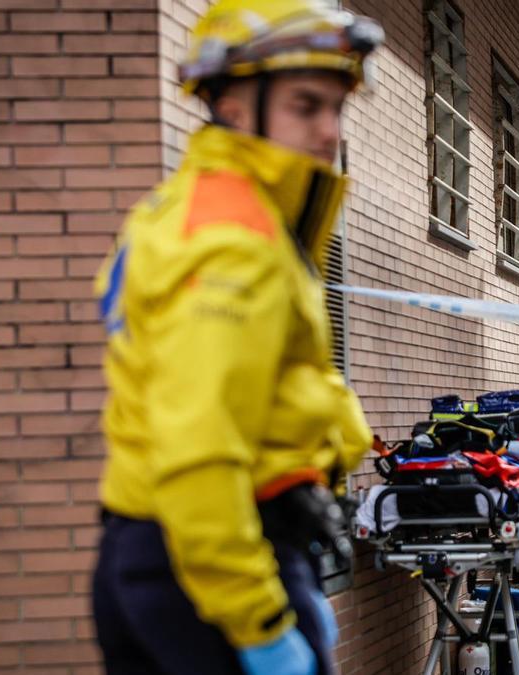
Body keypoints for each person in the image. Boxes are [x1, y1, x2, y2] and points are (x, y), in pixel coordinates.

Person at [91, 3, 382, 675]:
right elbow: (199, 450)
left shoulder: (182, 208)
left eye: (338, 107)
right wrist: (258, 622)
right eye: (306, 105)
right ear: (230, 103)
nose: (329, 130)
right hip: (218, 562)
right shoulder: (233, 242)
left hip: (168, 553)